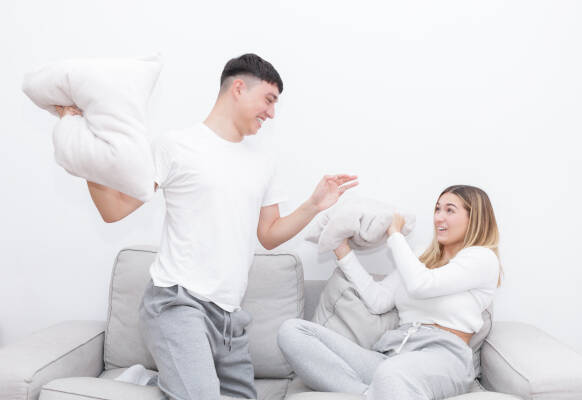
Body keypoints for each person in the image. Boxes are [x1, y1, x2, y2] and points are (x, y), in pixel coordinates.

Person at [55, 53, 358, 400]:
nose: (272, 113)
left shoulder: (262, 160)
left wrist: (314, 205)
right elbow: (114, 210)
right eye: (269, 100)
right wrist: (84, 153)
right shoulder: (177, 146)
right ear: (239, 89)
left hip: (230, 320)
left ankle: (152, 381)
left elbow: (269, 235)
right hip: (177, 304)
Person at [278, 185, 501, 400]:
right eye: (437, 209)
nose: (438, 217)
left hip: (444, 356)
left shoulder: (482, 258)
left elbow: (421, 285)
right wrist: (341, 249)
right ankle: (372, 394)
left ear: (474, 218)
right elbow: (379, 301)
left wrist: (395, 233)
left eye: (449, 210)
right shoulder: (420, 255)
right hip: (391, 354)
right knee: (292, 331)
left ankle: (384, 390)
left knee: (392, 373)